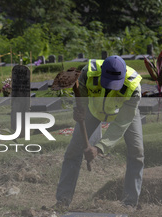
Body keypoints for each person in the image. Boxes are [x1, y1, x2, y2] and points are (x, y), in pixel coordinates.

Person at [56, 55, 144, 208]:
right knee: (73, 151)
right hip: (94, 110)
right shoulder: (87, 73)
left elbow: (121, 124)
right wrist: (78, 111)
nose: (110, 87)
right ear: (102, 73)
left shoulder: (133, 88)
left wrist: (98, 148)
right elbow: (81, 99)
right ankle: (62, 200)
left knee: (137, 151)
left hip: (122, 111)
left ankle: (129, 203)